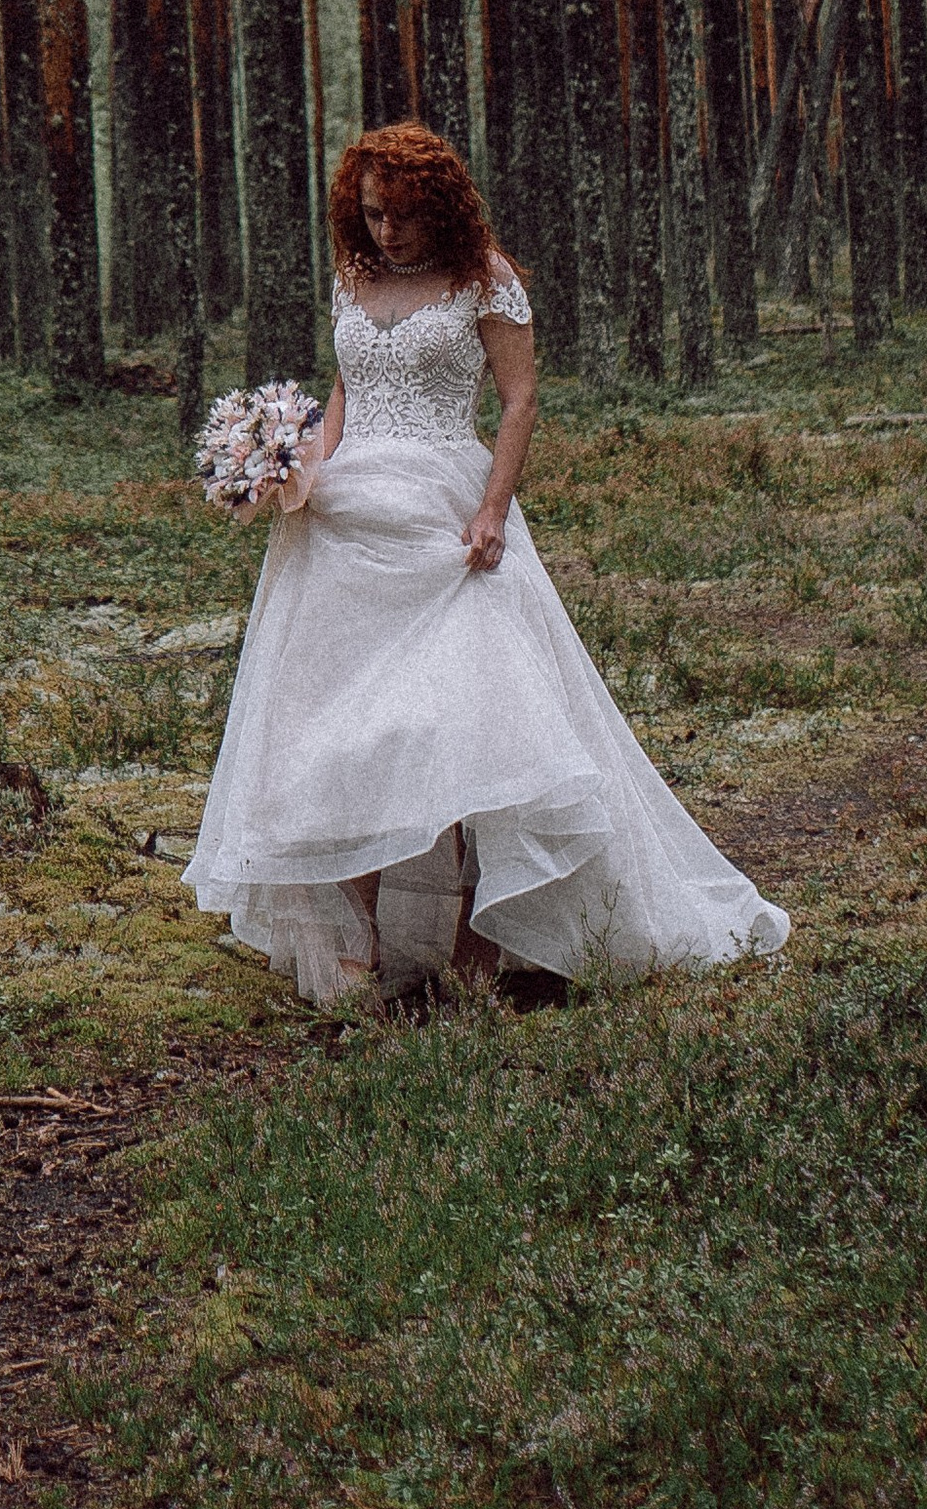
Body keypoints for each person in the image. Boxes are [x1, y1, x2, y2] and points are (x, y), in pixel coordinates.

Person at [185, 121, 790, 1004]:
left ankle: (474, 951)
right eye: (372, 213)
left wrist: (492, 509)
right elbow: (350, 387)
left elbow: (519, 398)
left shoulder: (486, 282)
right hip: (348, 524)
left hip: (446, 519)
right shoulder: (353, 279)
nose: (387, 231)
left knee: (462, 730)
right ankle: (357, 946)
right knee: (342, 733)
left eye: (403, 214)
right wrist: (300, 473)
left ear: (440, 206)